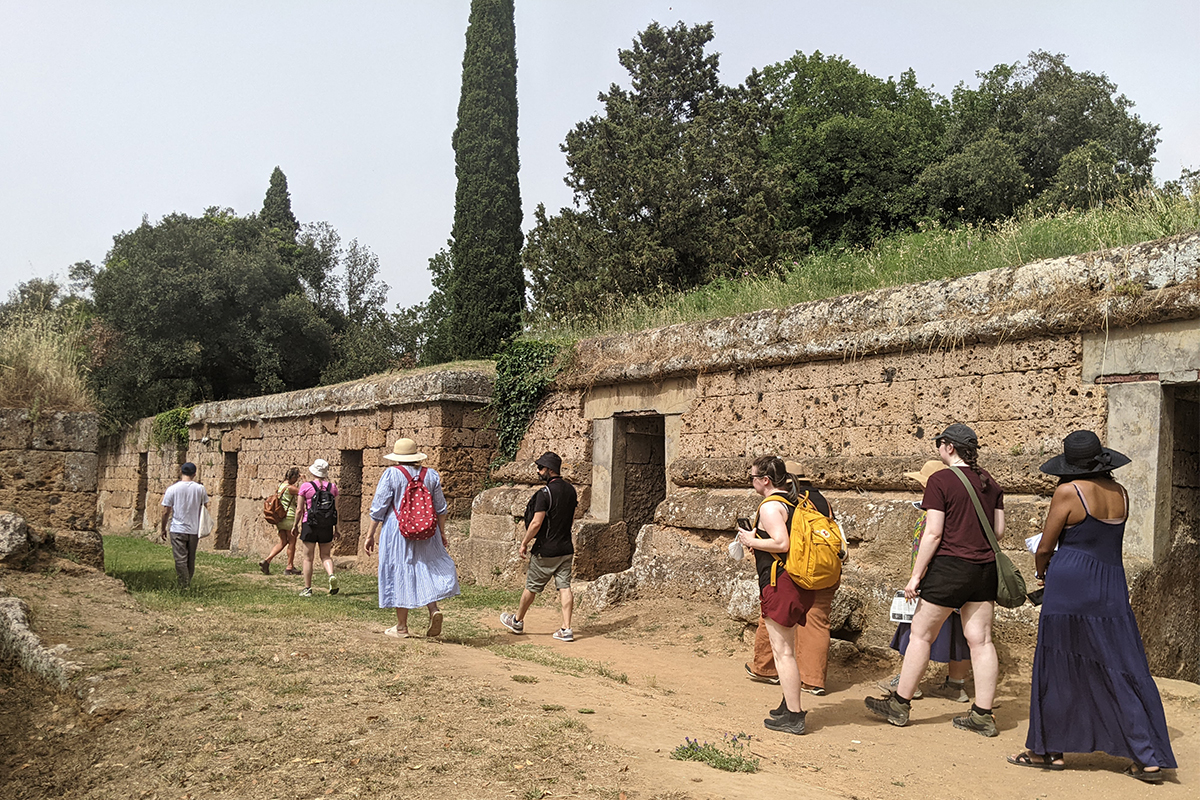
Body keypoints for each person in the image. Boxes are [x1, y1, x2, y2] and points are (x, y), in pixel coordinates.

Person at [1007, 430, 1176, 782]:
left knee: (1057, 664)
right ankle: (1147, 757)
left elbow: (1044, 547)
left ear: (1068, 465)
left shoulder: (1068, 491)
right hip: (1111, 584)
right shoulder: (1121, 493)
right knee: (1120, 665)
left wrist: (1042, 573)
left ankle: (1046, 750)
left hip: (1070, 584)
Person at [865, 423, 1003, 736]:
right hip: (984, 569)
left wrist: (915, 577)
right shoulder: (989, 482)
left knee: (921, 635)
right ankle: (983, 714)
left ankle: (900, 704)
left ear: (949, 447)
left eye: (939, 443)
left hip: (949, 567)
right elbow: (998, 533)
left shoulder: (941, 480)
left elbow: (934, 532)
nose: (938, 448)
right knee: (981, 640)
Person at [876, 459, 972, 702]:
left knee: (914, 631)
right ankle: (956, 684)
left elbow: (927, 545)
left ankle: (909, 684)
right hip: (962, 579)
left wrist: (916, 578)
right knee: (959, 633)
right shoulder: (962, 511)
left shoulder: (932, 515)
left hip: (934, 582)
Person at [736, 455, 814, 735]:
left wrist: (750, 540)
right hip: (794, 582)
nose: (752, 482)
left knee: (783, 653)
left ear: (765, 480)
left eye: (753, 477)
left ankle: (794, 715)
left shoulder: (770, 507)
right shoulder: (792, 502)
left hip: (779, 583)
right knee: (787, 649)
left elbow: (782, 543)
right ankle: (787, 702)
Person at [744, 462, 836, 696]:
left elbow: (783, 542)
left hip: (794, 570)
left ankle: (765, 669)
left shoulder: (783, 501)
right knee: (817, 620)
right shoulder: (821, 500)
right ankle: (812, 680)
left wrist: (754, 542)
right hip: (826, 566)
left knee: (773, 618)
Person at [364, 438, 459, 638]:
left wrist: (370, 534)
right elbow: (441, 508)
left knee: (399, 571)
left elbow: (379, 507)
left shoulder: (392, 474)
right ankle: (433, 609)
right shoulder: (431, 475)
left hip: (397, 530)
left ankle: (401, 627)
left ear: (397, 457)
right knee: (424, 566)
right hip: (426, 530)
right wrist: (441, 532)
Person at [500, 452, 579, 642]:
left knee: (531, 587)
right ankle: (566, 628)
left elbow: (536, 523)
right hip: (566, 548)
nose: (538, 471)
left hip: (546, 550)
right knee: (565, 587)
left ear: (549, 470)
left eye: (540, 468)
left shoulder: (545, 494)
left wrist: (524, 543)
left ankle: (517, 621)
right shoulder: (571, 490)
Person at [293, 459, 340, 598]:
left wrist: (295, 525)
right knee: (326, 555)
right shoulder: (333, 487)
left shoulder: (305, 487)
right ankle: (331, 575)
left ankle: (307, 588)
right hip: (326, 525)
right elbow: (336, 510)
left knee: (308, 558)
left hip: (310, 524)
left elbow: (299, 510)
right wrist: (337, 529)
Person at [159, 462, 209, 589]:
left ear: (181, 472)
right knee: (190, 558)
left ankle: (184, 584)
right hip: (194, 529)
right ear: (194, 474)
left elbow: (166, 511)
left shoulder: (172, 489)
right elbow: (205, 507)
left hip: (177, 528)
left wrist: (163, 528)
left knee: (180, 559)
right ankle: (187, 582)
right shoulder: (200, 489)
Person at [259, 467, 302, 575]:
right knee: (292, 542)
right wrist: (305, 480)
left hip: (280, 518)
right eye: (297, 477)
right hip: (289, 517)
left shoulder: (280, 486)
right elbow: (305, 492)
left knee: (283, 541)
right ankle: (289, 567)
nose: (297, 480)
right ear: (292, 477)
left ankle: (267, 560)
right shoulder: (291, 488)